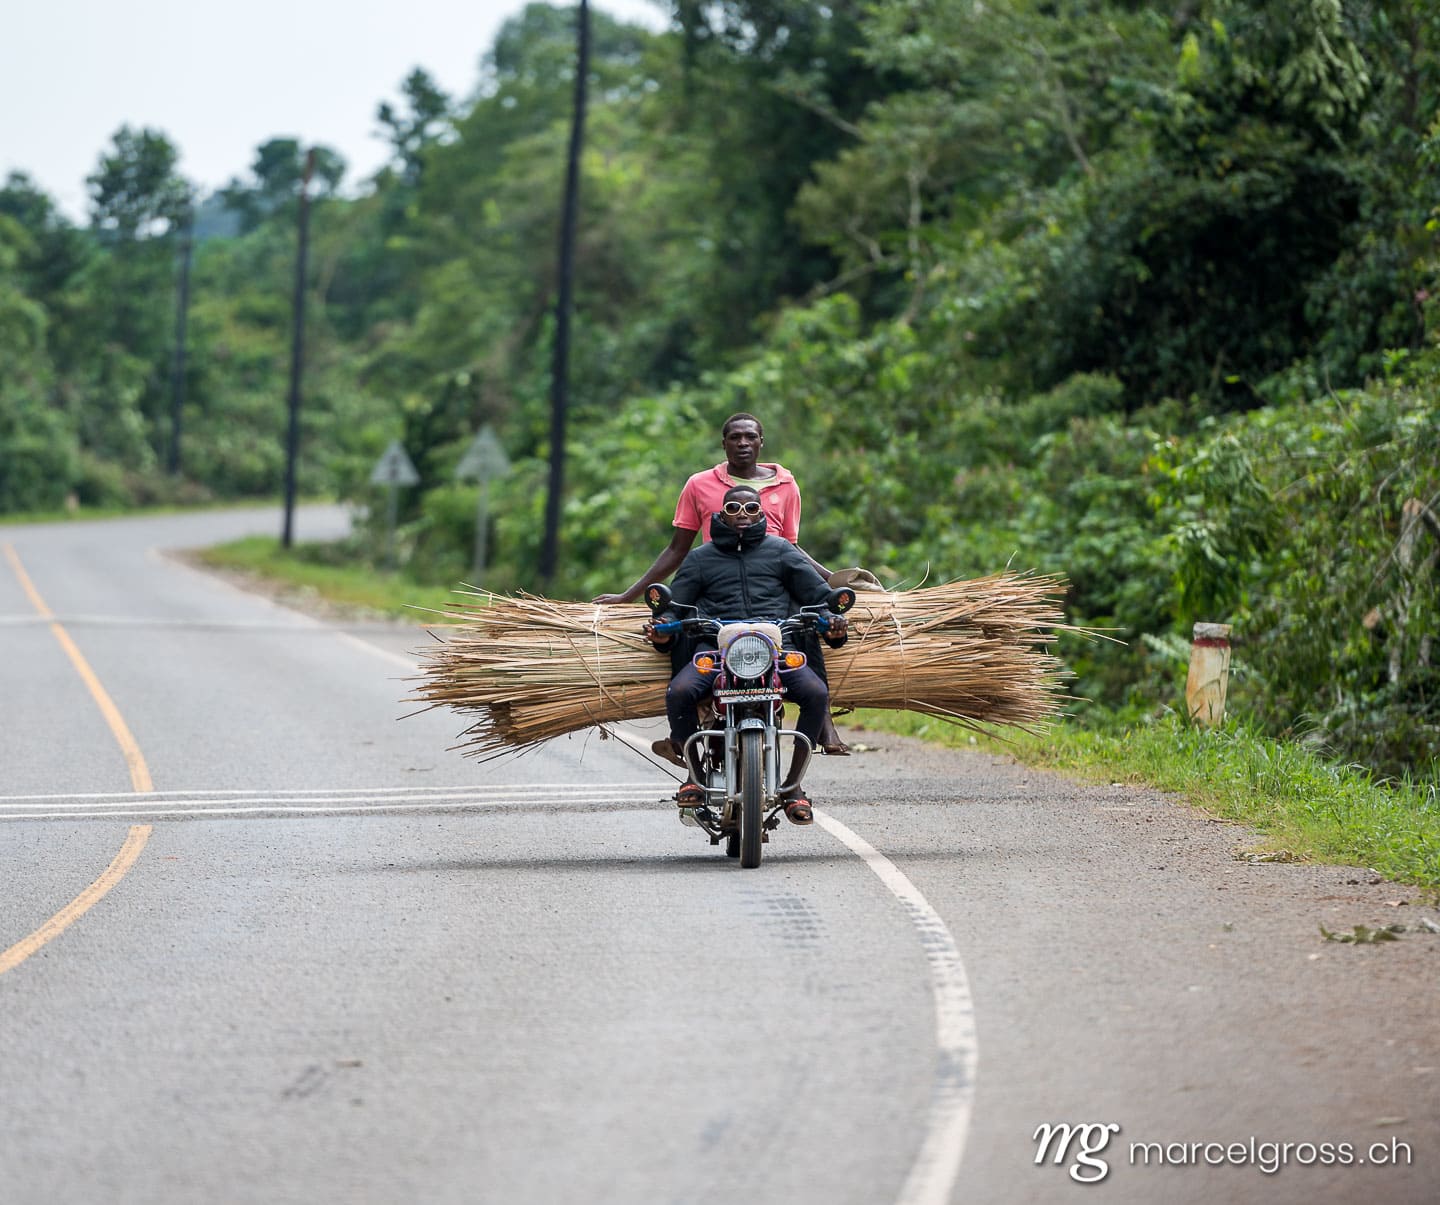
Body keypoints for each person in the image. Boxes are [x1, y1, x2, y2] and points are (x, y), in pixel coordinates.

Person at [594, 411, 850, 754]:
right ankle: (684, 742)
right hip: (717, 595)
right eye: (733, 509)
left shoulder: (786, 485)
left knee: (805, 630)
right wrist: (630, 598)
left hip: (776, 589)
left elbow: (792, 548)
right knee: (686, 645)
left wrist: (833, 586)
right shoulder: (700, 493)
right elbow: (677, 550)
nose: (742, 516)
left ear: (761, 442)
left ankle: (821, 730)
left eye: (750, 437)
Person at [643, 485, 848, 825]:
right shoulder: (700, 558)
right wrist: (661, 624)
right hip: (716, 648)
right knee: (679, 691)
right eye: (734, 508)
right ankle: (694, 775)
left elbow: (820, 597)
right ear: (721, 514)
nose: (742, 515)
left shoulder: (782, 551)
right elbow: (676, 606)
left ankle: (794, 786)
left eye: (751, 508)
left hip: (777, 648)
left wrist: (834, 621)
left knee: (816, 693)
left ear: (761, 514)